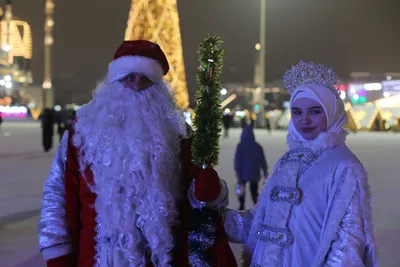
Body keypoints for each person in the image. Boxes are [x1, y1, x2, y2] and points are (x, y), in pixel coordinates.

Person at [38, 40, 231, 267]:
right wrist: (58, 251)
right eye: (128, 77)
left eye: (146, 79)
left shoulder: (179, 135)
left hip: (160, 258)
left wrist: (210, 192)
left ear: (158, 87)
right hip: (95, 257)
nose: (137, 85)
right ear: (114, 82)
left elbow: (206, 199)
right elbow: (57, 193)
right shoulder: (83, 130)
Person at [223, 61, 378, 266]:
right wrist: (217, 218)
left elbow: (347, 246)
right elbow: (262, 222)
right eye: (297, 112)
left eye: (314, 111)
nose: (304, 120)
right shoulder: (288, 161)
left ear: (332, 112)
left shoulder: (345, 167)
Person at [234, 125, 268, 210]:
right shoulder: (257, 146)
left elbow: (237, 160)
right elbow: (262, 160)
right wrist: (265, 171)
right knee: (254, 191)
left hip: (242, 174)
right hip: (254, 173)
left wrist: (237, 171)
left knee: (240, 190)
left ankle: (241, 204)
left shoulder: (240, 146)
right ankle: (257, 206)